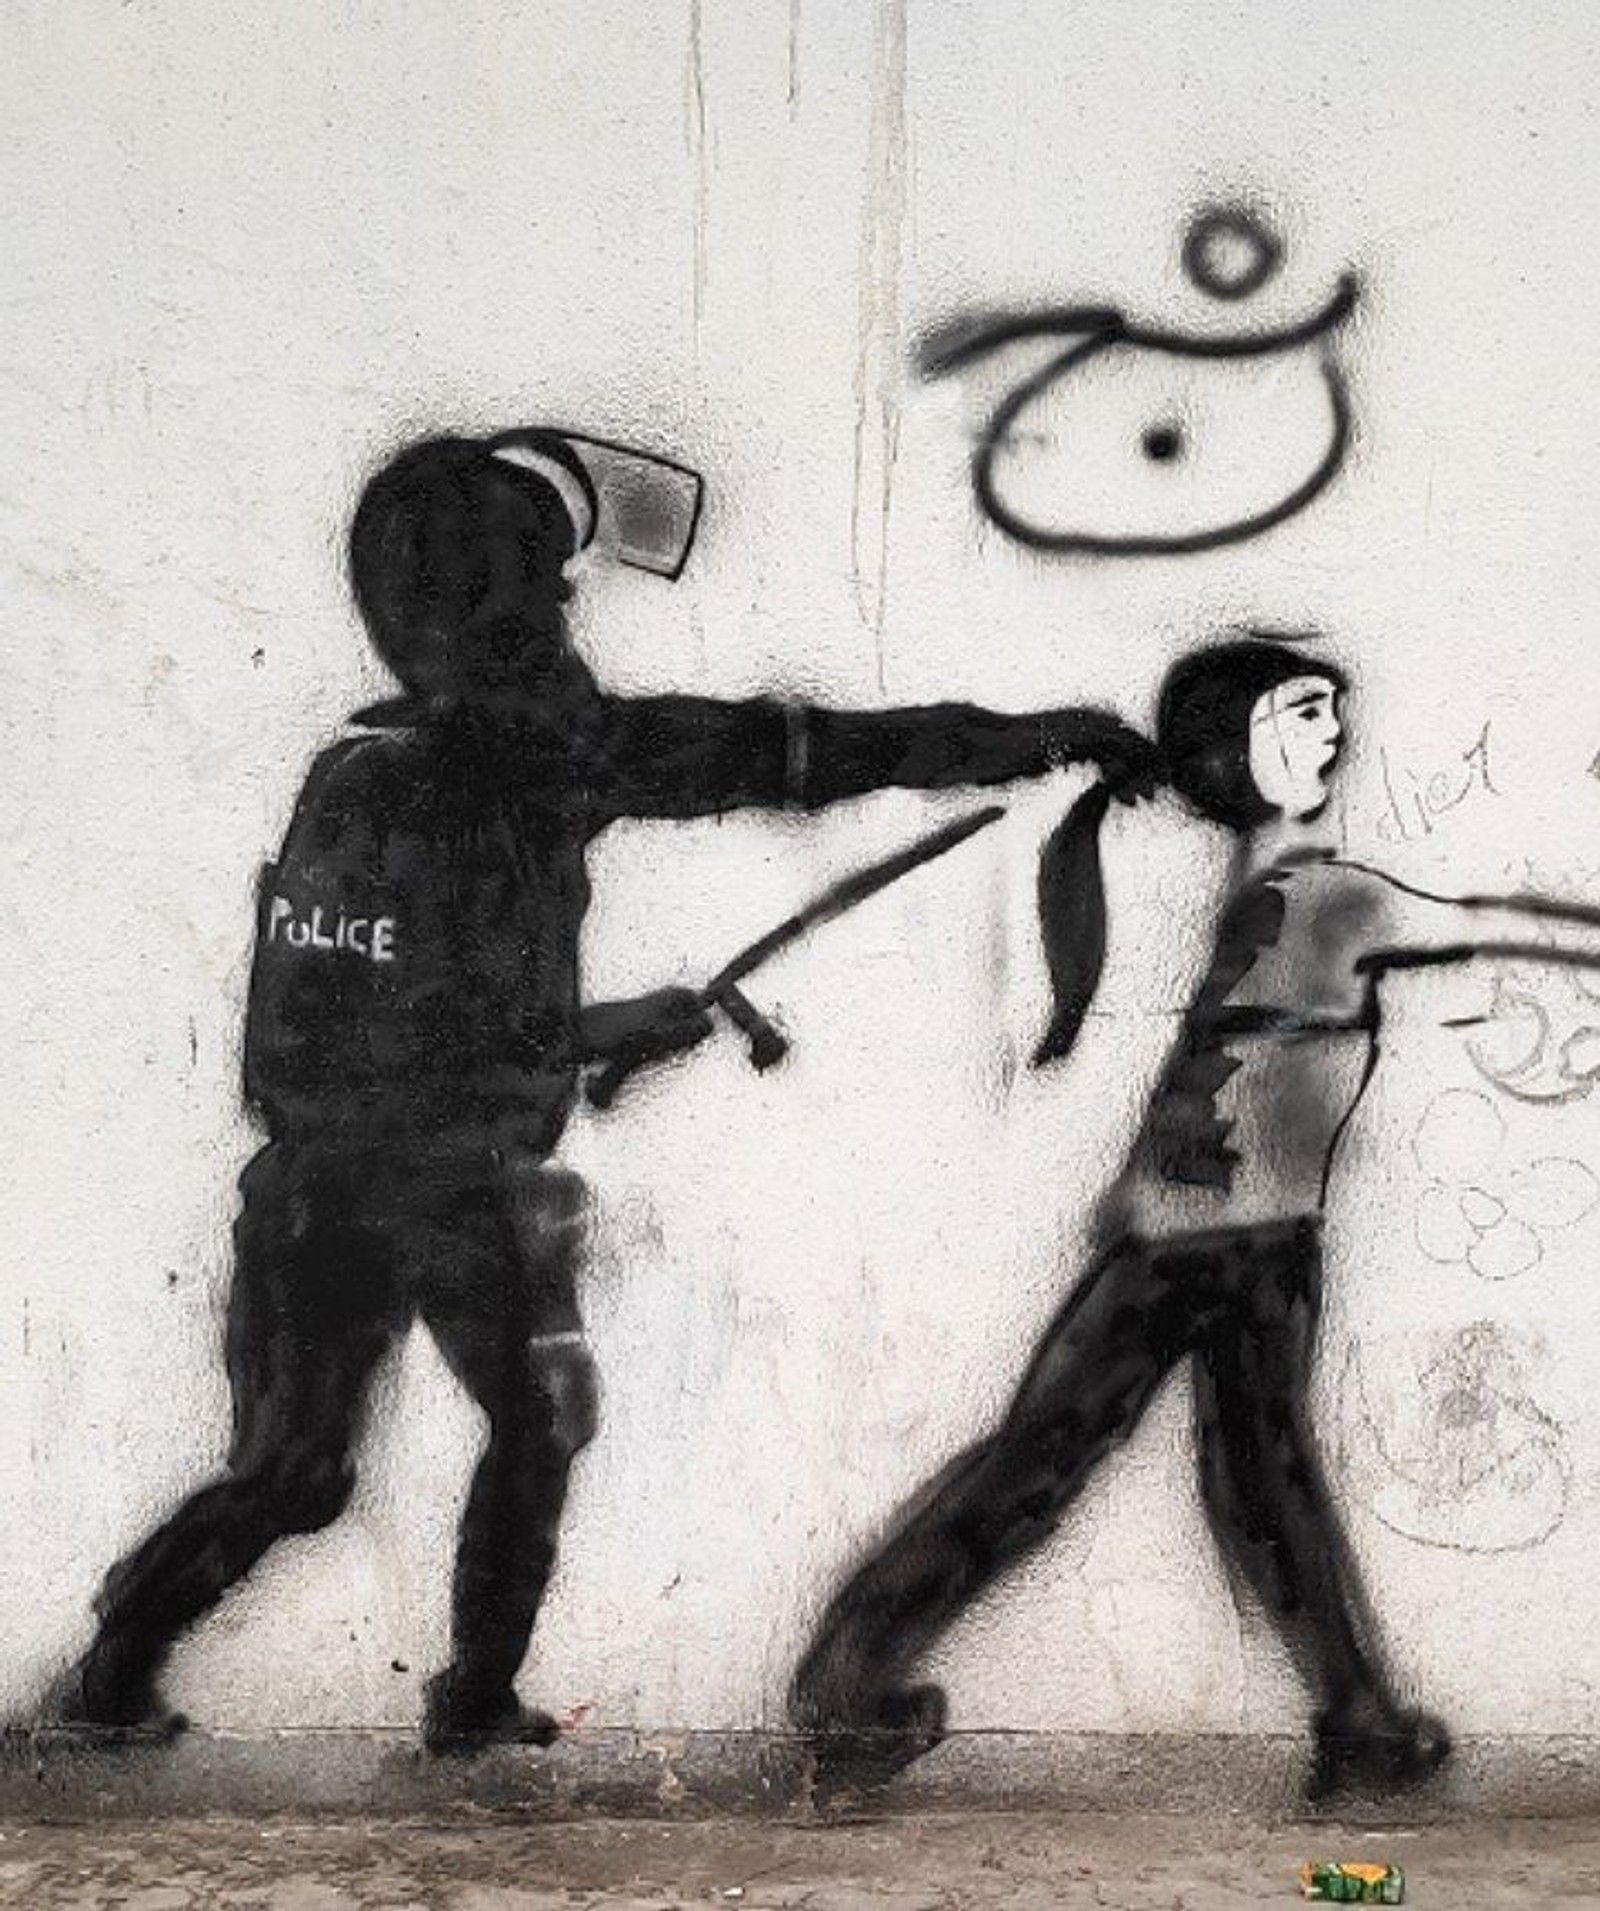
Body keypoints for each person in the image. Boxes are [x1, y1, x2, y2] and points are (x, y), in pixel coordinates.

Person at [54, 431, 1145, 1756]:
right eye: (547, 588)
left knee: (483, 1430)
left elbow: (782, 753)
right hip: (385, 1190)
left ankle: (453, 1697)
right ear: (490, 609)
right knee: (331, 1467)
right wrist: (595, 1028)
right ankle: (131, 1675)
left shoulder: (468, 765)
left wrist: (1018, 742)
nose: (571, 613)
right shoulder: (435, 776)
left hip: (401, 1185)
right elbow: (349, 1047)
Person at [790, 637, 1600, 1800]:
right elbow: (1479, 922)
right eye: (1301, 711)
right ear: (1237, 747)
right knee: (1105, 1469)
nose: (1331, 730)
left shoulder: (1272, 893)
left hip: (1224, 1242)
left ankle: (1357, 1719)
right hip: (1213, 1247)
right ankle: (848, 1683)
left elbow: (1218, 1066)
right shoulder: (1324, 897)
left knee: (1230, 1482)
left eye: (1329, 710)